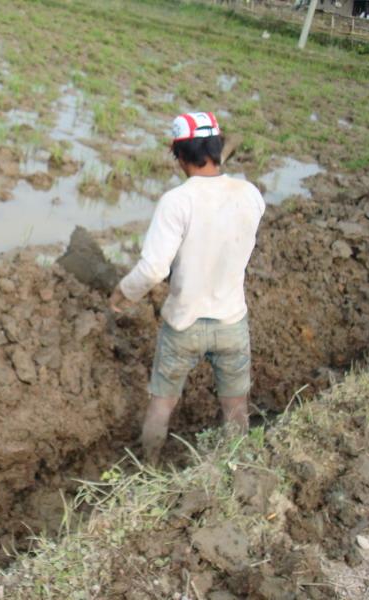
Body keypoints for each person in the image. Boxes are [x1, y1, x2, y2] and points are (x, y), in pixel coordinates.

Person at [110, 111, 265, 465]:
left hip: (183, 324)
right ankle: (235, 467)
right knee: (236, 406)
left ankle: (148, 470)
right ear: (217, 147)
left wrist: (121, 296)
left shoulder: (177, 202)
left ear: (180, 156)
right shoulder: (251, 195)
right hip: (231, 322)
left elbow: (152, 269)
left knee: (162, 405)